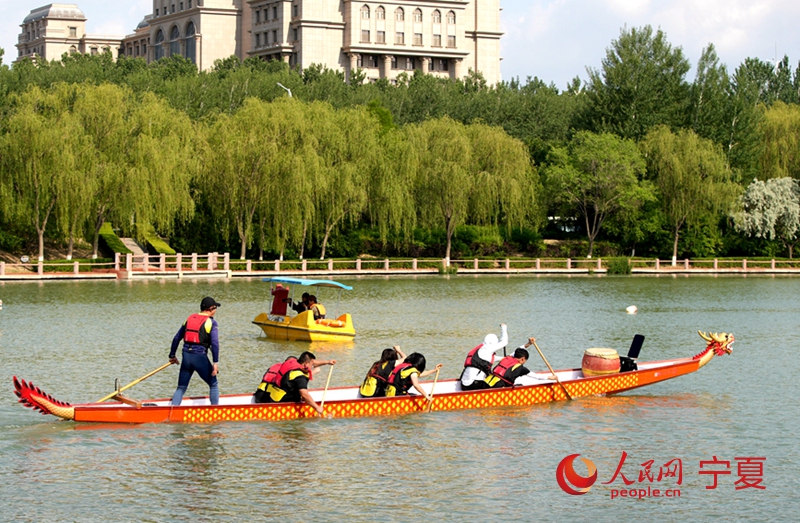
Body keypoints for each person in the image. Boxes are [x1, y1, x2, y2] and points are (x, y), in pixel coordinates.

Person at [169, 296, 221, 406]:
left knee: (181, 387)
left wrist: (172, 355)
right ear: (211, 309)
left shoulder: (189, 319)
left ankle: (172, 412)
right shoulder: (211, 323)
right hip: (199, 358)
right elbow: (215, 343)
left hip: (186, 356)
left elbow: (176, 338)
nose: (216, 311)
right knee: (213, 384)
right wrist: (215, 363)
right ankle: (215, 412)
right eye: (215, 308)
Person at [254, 351, 336, 415]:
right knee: (301, 395)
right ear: (306, 363)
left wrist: (327, 362)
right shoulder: (300, 377)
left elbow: (313, 362)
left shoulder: (292, 363)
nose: (312, 366)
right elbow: (304, 394)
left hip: (266, 396)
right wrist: (317, 407)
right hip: (278, 402)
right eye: (312, 365)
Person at [460, 324, 508, 390]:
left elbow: (500, 359)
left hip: (464, 385)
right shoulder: (487, 348)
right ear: (493, 343)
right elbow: (504, 342)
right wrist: (504, 328)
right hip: (473, 384)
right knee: (499, 382)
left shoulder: (480, 351)